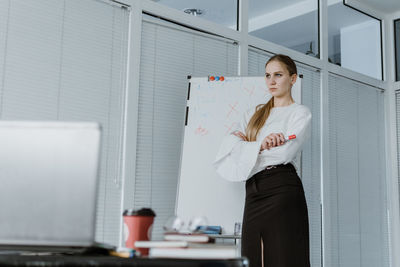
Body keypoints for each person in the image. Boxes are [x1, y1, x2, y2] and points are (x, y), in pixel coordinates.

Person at [213, 54, 311, 267]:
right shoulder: (254, 114)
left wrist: (249, 150)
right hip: (254, 190)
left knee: (284, 255)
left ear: (292, 79)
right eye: (267, 76)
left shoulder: (299, 113)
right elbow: (231, 149)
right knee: (252, 254)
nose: (272, 81)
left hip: (281, 187)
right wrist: (260, 145)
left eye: (278, 75)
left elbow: (283, 154)